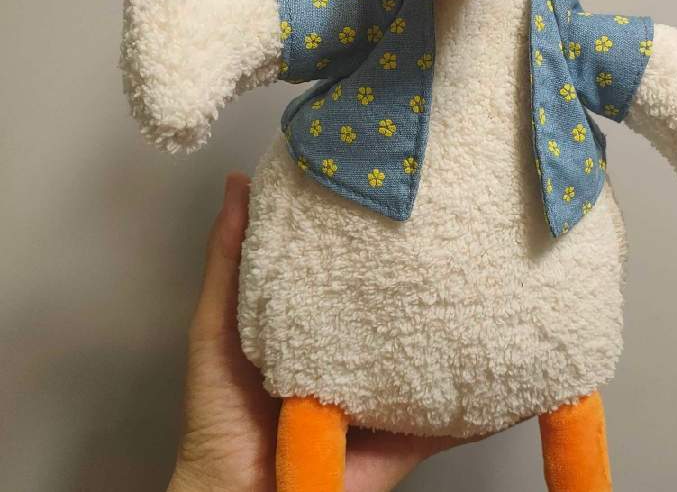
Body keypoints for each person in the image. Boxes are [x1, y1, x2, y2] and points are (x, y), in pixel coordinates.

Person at [167, 174, 468, 492]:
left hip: (315, 380)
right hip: (315, 376)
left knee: (309, 402)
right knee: (309, 402)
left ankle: (310, 430)